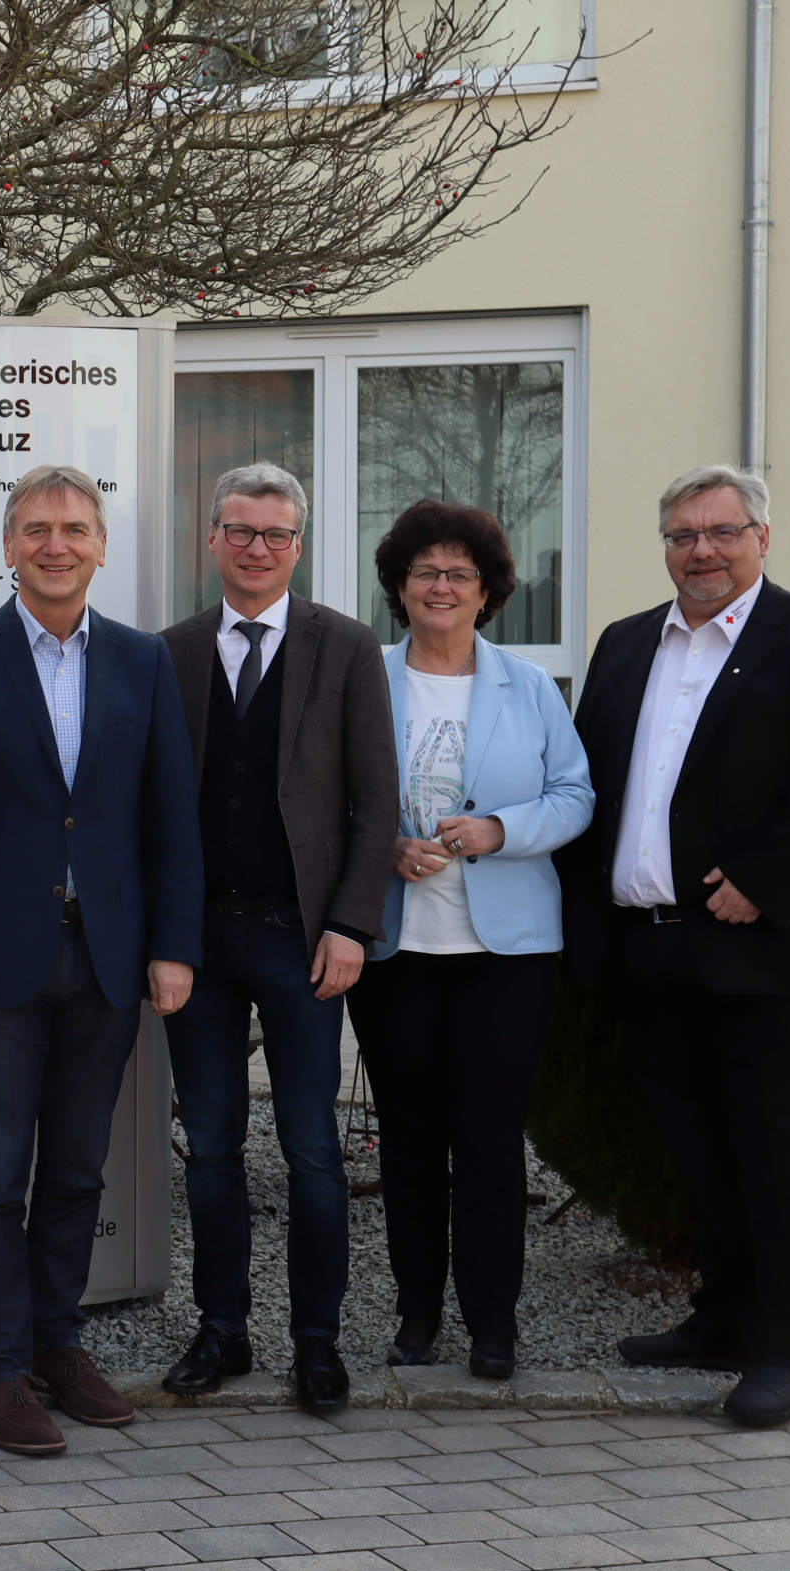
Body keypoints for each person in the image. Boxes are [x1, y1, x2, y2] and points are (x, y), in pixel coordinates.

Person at [558, 465, 790, 1427]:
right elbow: (597, 790)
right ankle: (724, 1318)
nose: (701, 549)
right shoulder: (625, 645)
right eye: (682, 534)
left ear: (762, 538)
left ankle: (785, 1351)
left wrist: (765, 882)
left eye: (722, 531)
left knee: (788, 1157)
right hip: (651, 951)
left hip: (775, 949)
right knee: (702, 1153)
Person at [0, 464, 204, 1458]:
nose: (56, 543)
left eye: (75, 527)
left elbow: (169, 817)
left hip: (108, 960)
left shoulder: (141, 661)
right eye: (37, 527)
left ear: (103, 545)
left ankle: (59, 1346)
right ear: (9, 545)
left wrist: (172, 946)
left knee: (76, 1170)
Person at [157, 461, 398, 1415]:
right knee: (211, 1147)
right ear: (212, 539)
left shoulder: (345, 648)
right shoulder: (168, 652)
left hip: (305, 943)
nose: (259, 549)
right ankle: (222, 1330)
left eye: (278, 536)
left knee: (310, 1150)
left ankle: (317, 1341)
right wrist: (159, 939)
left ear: (299, 546)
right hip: (200, 945)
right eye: (242, 532)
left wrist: (350, 925)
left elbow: (376, 806)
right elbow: (150, 808)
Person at [343, 501, 591, 1381]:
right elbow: (327, 799)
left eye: (459, 575)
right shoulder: (361, 679)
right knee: (408, 1139)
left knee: (488, 1139)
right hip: (395, 950)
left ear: (487, 593)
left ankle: (493, 1323)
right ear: (399, 588)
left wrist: (500, 828)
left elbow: (575, 796)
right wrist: (380, 849)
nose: (441, 587)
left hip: (508, 954)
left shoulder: (529, 687)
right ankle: (417, 1316)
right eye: (424, 573)